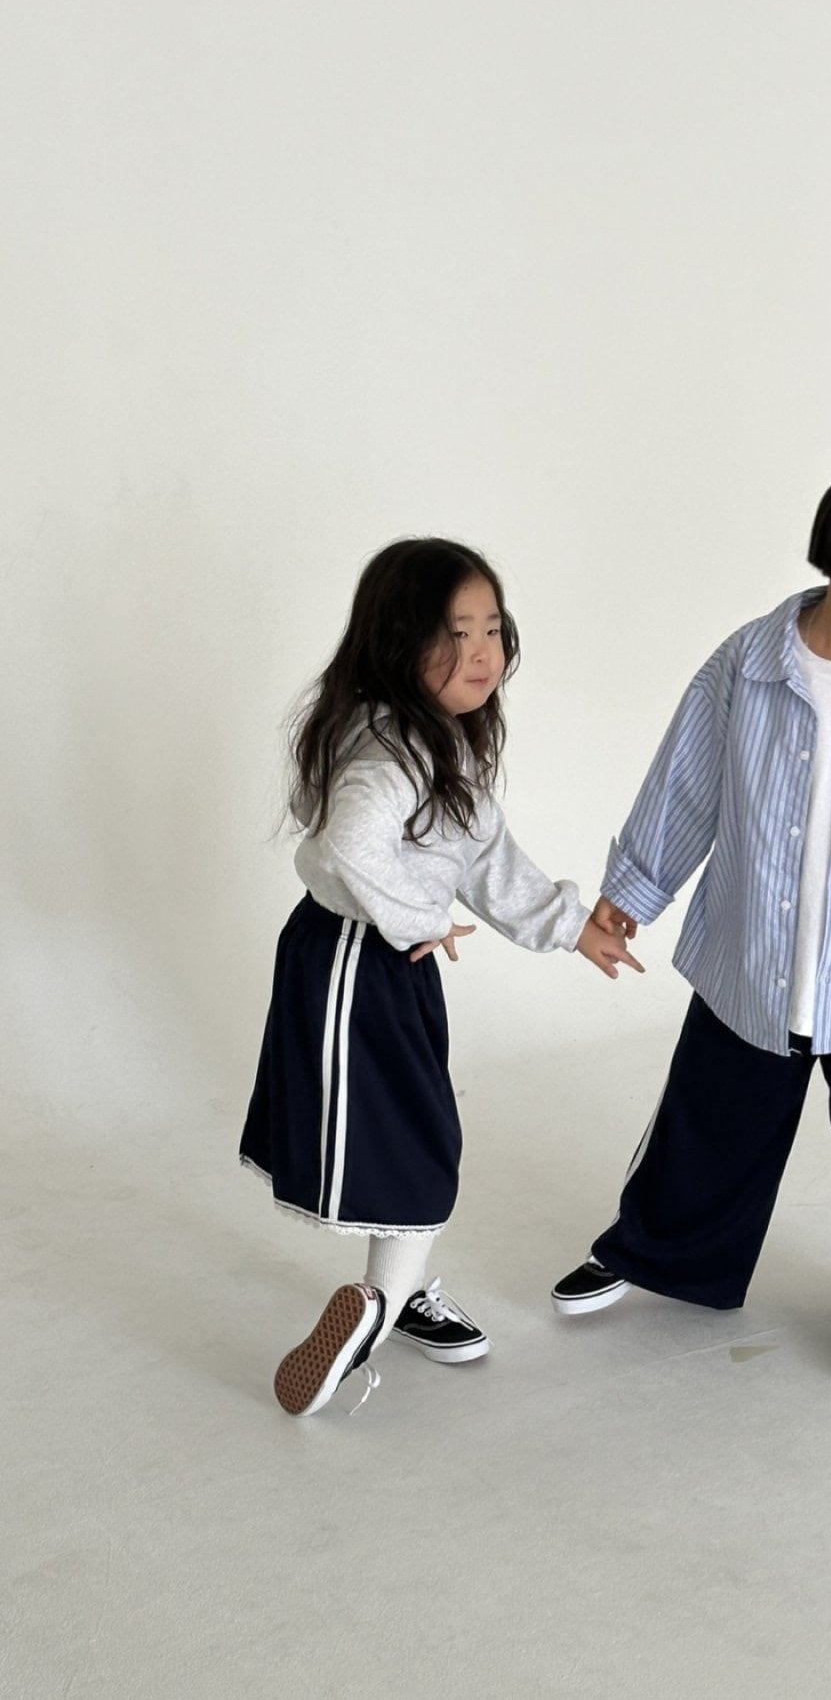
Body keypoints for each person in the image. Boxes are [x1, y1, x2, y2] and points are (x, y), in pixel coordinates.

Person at [551, 444, 831, 1395]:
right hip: (754, 954)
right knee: (707, 1119)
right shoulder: (748, 663)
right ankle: (660, 1252)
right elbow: (686, 782)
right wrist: (635, 887)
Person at [241, 537, 641, 1415]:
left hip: (379, 958)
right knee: (418, 1140)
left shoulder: (433, 737)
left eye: (491, 628)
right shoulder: (391, 752)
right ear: (398, 640)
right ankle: (377, 1312)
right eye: (453, 633)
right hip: (357, 959)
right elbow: (348, 842)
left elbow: (485, 856)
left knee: (407, 1132)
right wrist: (419, 916)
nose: (480, 652)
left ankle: (404, 1284)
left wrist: (570, 924)